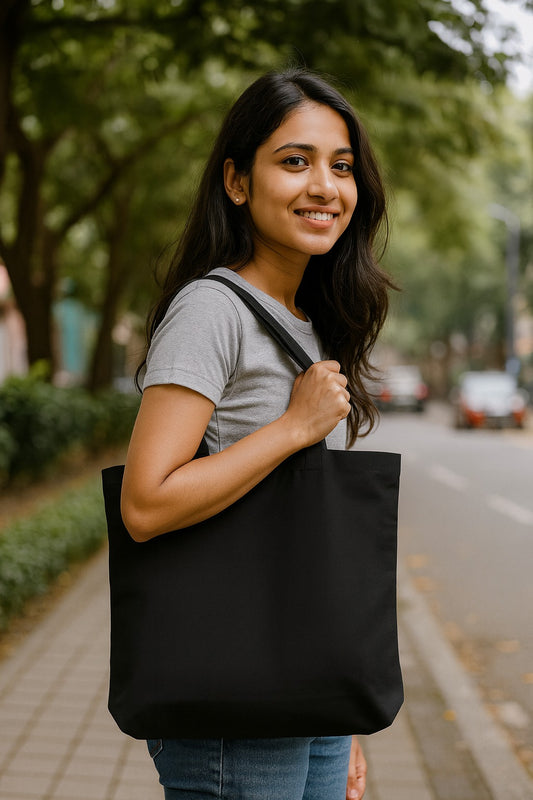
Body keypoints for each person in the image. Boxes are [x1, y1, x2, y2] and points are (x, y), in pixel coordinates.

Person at [121, 68, 394, 800]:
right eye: (295, 161)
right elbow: (145, 504)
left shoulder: (307, 321)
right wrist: (292, 428)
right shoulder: (212, 310)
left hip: (305, 680)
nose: (325, 186)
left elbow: (308, 535)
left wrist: (343, 712)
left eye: (341, 166)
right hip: (234, 692)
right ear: (237, 182)